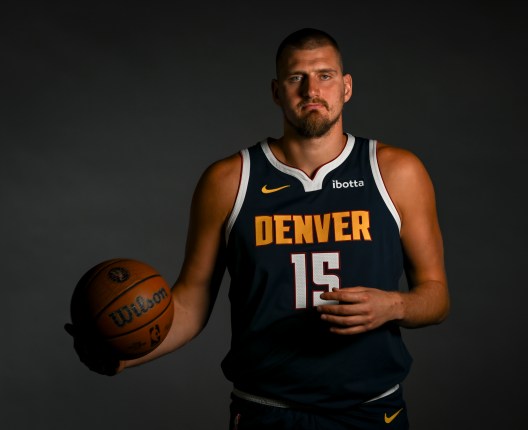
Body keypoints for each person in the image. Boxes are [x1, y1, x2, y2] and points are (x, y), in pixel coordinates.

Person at [66, 28, 449, 429]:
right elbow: (190, 305)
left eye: (325, 75)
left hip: (370, 410)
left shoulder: (396, 171)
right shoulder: (229, 180)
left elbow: (436, 297)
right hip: (267, 411)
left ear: (346, 86)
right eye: (296, 78)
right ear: (276, 91)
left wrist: (394, 306)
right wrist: (123, 354)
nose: (311, 89)